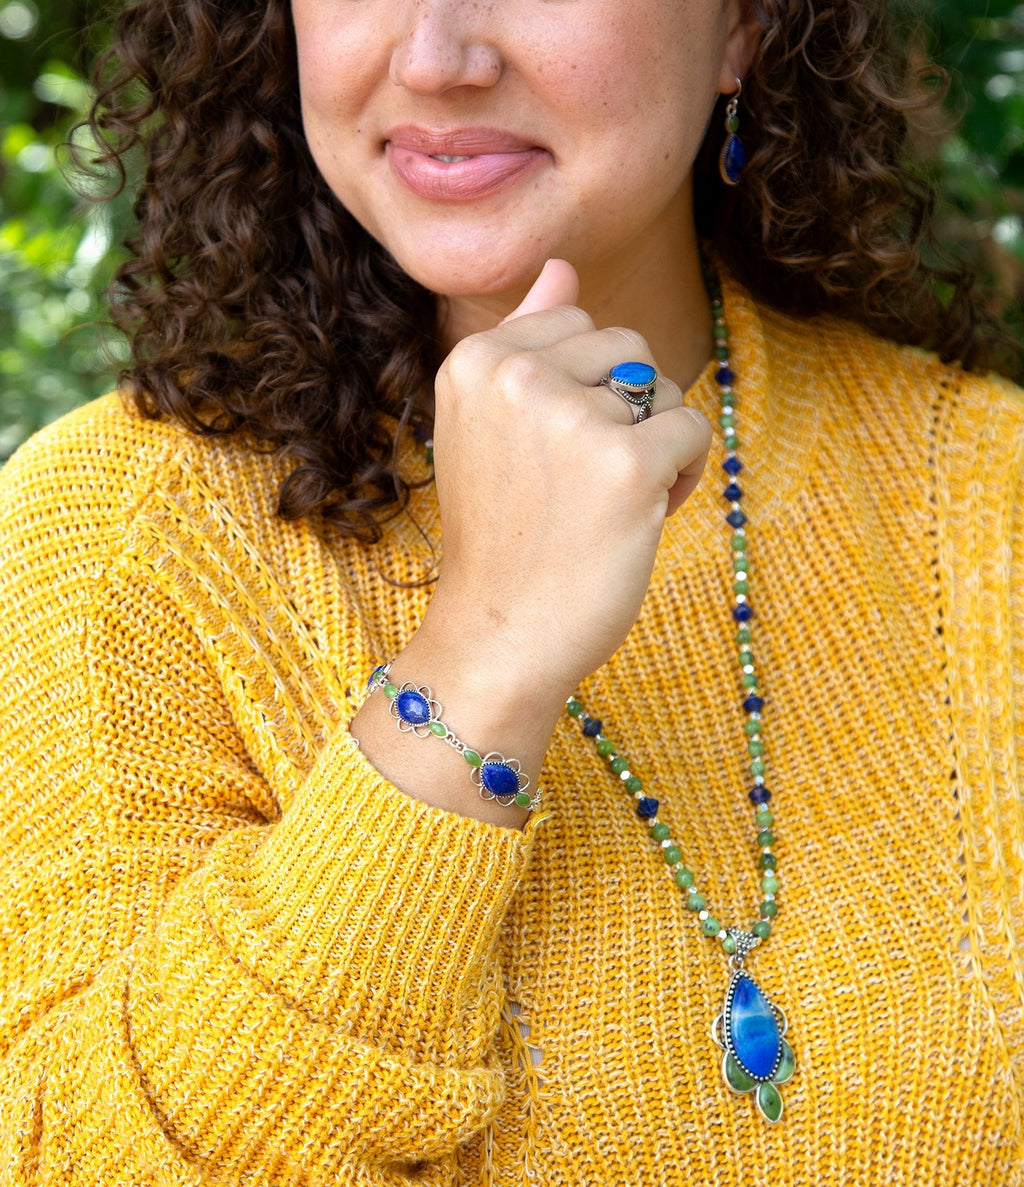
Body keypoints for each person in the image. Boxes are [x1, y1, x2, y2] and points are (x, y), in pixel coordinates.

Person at [0, 0, 1022, 1180]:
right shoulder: (116, 540)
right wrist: (480, 659)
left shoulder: (983, 499)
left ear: (744, 28)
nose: (437, 57)